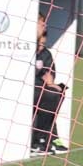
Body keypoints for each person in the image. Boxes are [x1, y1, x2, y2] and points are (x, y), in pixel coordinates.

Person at [31, 13, 68, 155]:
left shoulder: (46, 54)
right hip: (27, 91)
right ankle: (40, 140)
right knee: (50, 95)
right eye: (41, 23)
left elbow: (49, 75)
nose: (44, 25)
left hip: (40, 90)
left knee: (57, 93)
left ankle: (49, 139)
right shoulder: (24, 47)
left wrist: (52, 83)